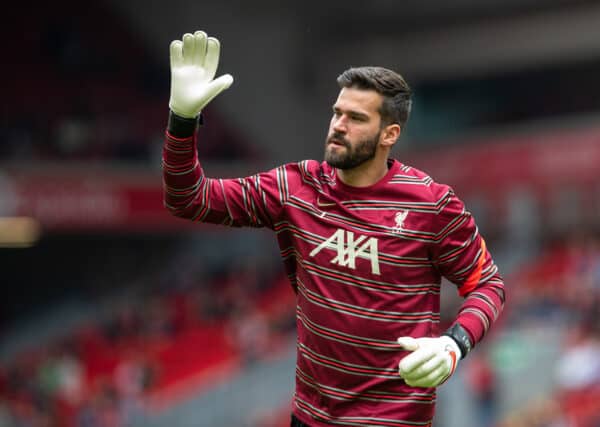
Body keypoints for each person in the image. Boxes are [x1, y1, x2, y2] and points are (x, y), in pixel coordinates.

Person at [162, 30, 506, 427]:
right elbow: (189, 198)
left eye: (356, 118)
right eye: (337, 112)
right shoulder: (295, 187)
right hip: (309, 419)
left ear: (389, 134)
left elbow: (488, 285)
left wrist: (453, 344)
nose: (339, 125)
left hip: (393, 421)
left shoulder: (431, 204)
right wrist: (182, 121)